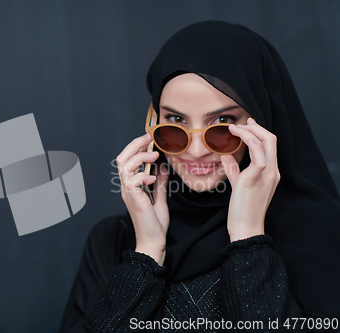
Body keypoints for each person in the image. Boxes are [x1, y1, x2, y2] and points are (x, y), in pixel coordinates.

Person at [59, 20, 340, 333]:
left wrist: (248, 239)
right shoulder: (114, 241)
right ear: (152, 121)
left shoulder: (322, 239)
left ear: (263, 122)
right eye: (175, 120)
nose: (194, 151)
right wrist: (148, 253)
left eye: (222, 122)